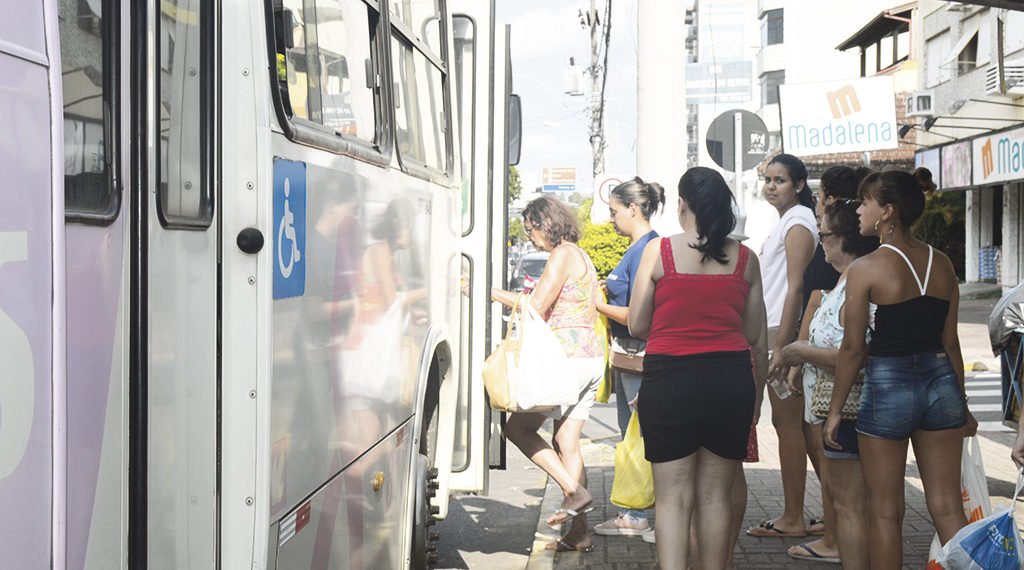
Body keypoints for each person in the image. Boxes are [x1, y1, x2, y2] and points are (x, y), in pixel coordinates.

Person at [825, 168, 978, 567]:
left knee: (885, 511)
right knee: (947, 507)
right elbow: (950, 342)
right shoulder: (942, 264)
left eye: (865, 201)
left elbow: (853, 349)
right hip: (941, 384)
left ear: (887, 211)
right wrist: (963, 404)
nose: (858, 209)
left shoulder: (867, 268)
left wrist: (836, 410)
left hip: (889, 385)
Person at [628, 167, 768, 569]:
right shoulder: (746, 259)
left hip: (670, 380)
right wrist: (756, 401)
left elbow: (638, 324)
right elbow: (755, 336)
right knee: (715, 496)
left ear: (682, 204)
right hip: (729, 380)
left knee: (672, 498)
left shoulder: (660, 252)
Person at [490, 195, 605, 553]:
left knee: (518, 429)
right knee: (567, 444)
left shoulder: (562, 254)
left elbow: (537, 306)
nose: (530, 237)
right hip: (589, 359)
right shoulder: (581, 254)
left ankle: (573, 491)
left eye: (531, 229)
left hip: (565, 361)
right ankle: (579, 533)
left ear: (545, 224)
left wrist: (487, 291)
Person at [777, 191, 878, 567]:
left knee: (850, 504)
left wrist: (799, 353)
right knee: (844, 500)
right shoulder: (843, 281)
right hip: (833, 408)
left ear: (844, 240)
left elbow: (855, 353)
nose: (821, 244)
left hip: (847, 409)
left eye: (825, 236)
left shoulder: (857, 282)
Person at [748, 153, 819, 539]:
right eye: (769, 179)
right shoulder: (788, 221)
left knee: (790, 425)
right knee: (797, 426)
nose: (772, 186)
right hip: (776, 329)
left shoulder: (797, 223)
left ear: (799, 185)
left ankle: (795, 516)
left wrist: (782, 345)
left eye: (780, 180)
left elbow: (797, 286)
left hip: (782, 332)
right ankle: (828, 514)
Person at [592, 177, 663, 539]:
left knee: (640, 434)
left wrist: (599, 304)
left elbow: (640, 314)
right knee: (629, 434)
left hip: (639, 353)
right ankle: (634, 511)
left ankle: (639, 513)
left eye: (614, 211)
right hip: (627, 355)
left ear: (633, 210)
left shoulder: (648, 248)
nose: (611, 219)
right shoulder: (637, 247)